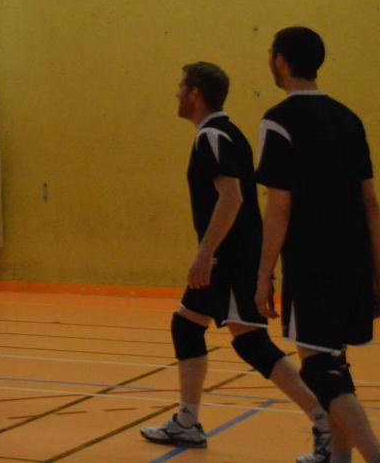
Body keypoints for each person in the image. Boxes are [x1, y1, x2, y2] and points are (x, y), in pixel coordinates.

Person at [140, 63, 332, 460]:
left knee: (252, 343)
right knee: (186, 327)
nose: (176, 94)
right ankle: (188, 422)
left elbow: (233, 197)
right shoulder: (224, 133)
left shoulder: (212, 136)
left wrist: (205, 254)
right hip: (232, 259)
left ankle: (325, 422)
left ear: (195, 94)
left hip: (229, 261)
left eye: (181, 87)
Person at [255, 27, 380, 463]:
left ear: (281, 61)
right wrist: (377, 269)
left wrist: (264, 272)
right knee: (333, 364)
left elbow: (279, 206)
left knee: (320, 369)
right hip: (354, 260)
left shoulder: (279, 119)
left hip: (313, 264)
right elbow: (371, 203)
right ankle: (339, 458)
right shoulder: (349, 119)